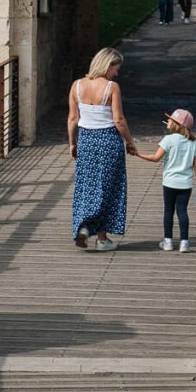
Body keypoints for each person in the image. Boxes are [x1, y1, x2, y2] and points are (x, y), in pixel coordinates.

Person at [68, 47, 136, 252]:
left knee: (87, 186)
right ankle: (102, 239)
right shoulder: (111, 87)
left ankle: (84, 227)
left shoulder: (77, 86)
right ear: (107, 65)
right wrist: (130, 142)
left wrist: (72, 143)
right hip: (108, 141)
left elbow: (73, 118)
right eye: (116, 68)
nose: (117, 73)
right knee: (109, 188)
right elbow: (118, 119)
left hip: (86, 141)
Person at [134, 108, 196, 253]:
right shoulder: (192, 142)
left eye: (170, 119)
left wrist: (138, 154)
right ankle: (184, 242)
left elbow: (155, 158)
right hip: (185, 184)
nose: (168, 121)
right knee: (182, 211)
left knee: (168, 211)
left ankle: (168, 241)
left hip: (169, 183)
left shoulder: (168, 140)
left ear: (177, 124)